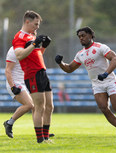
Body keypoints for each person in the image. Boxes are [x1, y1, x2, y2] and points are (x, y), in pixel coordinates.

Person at [55, 26, 116, 137]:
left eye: (83, 35)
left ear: (91, 35)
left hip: (110, 81)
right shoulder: (80, 54)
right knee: (104, 108)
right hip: (97, 85)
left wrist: (106, 73)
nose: (81, 38)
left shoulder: (100, 47)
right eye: (79, 37)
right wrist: (60, 63)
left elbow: (115, 59)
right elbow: (69, 69)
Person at [12, 10, 53, 143]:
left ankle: (46, 137)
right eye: (36, 24)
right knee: (39, 107)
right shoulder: (19, 37)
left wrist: (43, 46)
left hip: (42, 72)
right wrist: (35, 44)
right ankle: (40, 139)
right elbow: (19, 55)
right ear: (27, 21)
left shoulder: (31, 36)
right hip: (32, 74)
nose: (37, 27)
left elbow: (36, 55)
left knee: (49, 107)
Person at [4, 47, 34, 138]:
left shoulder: (30, 47)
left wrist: (43, 47)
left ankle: (41, 133)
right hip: (16, 82)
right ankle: (9, 123)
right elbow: (8, 70)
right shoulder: (14, 50)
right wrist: (13, 86)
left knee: (38, 106)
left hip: (25, 81)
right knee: (29, 105)